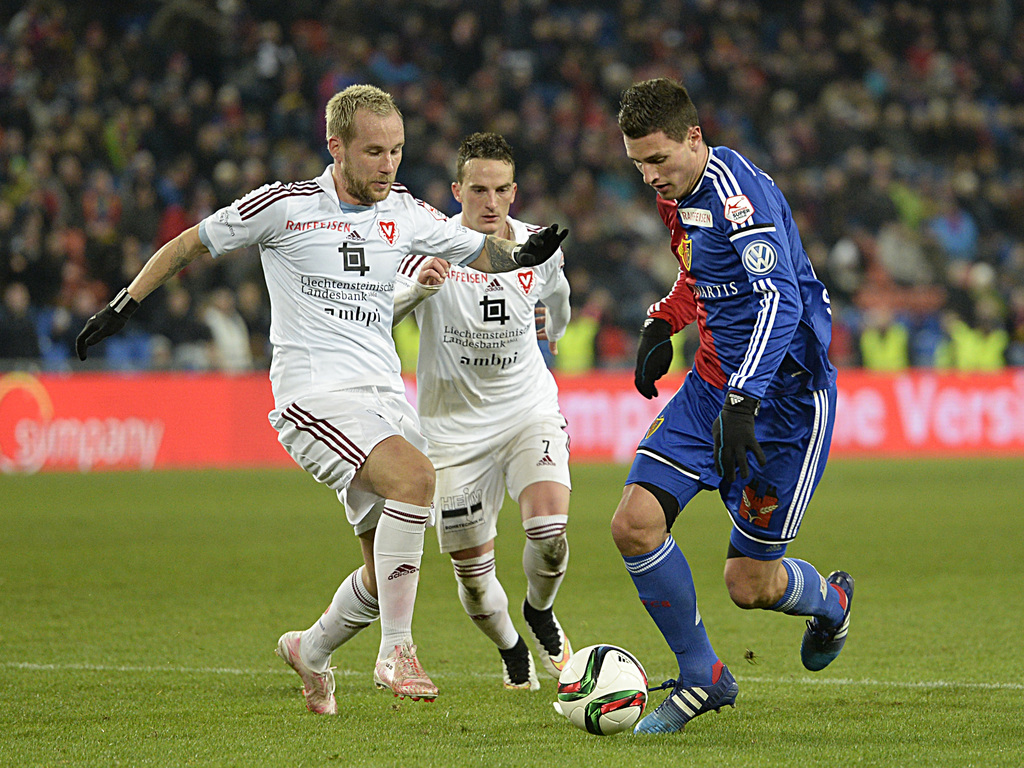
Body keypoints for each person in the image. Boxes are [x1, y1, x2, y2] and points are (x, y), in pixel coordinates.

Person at [75, 84, 567, 714]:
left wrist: (529, 254)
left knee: (379, 571)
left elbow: (486, 253)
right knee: (417, 479)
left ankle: (310, 649)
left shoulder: (409, 213)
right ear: (335, 146)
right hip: (314, 397)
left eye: (396, 151)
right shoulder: (286, 206)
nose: (388, 165)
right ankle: (397, 653)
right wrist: (125, 303)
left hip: (384, 401)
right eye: (373, 152)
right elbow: (192, 242)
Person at [610, 78, 853, 735]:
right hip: (714, 385)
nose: (650, 177)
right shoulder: (676, 197)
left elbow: (781, 301)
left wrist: (745, 400)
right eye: (638, 164)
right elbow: (700, 272)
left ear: (695, 137)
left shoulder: (739, 199)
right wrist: (665, 322)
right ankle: (702, 677)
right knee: (633, 524)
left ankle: (831, 603)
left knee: (749, 584)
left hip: (786, 400)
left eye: (659, 160)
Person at [392, 132, 573, 691]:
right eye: (477, 190)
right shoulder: (430, 247)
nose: (489, 202)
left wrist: (556, 331)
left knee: (549, 529)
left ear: (514, 192)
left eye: (500, 190)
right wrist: (418, 294)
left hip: (527, 411)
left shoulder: (537, 246)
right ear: (457, 191)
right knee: (473, 580)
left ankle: (540, 614)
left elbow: (559, 296)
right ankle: (512, 648)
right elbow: (381, 310)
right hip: (451, 435)